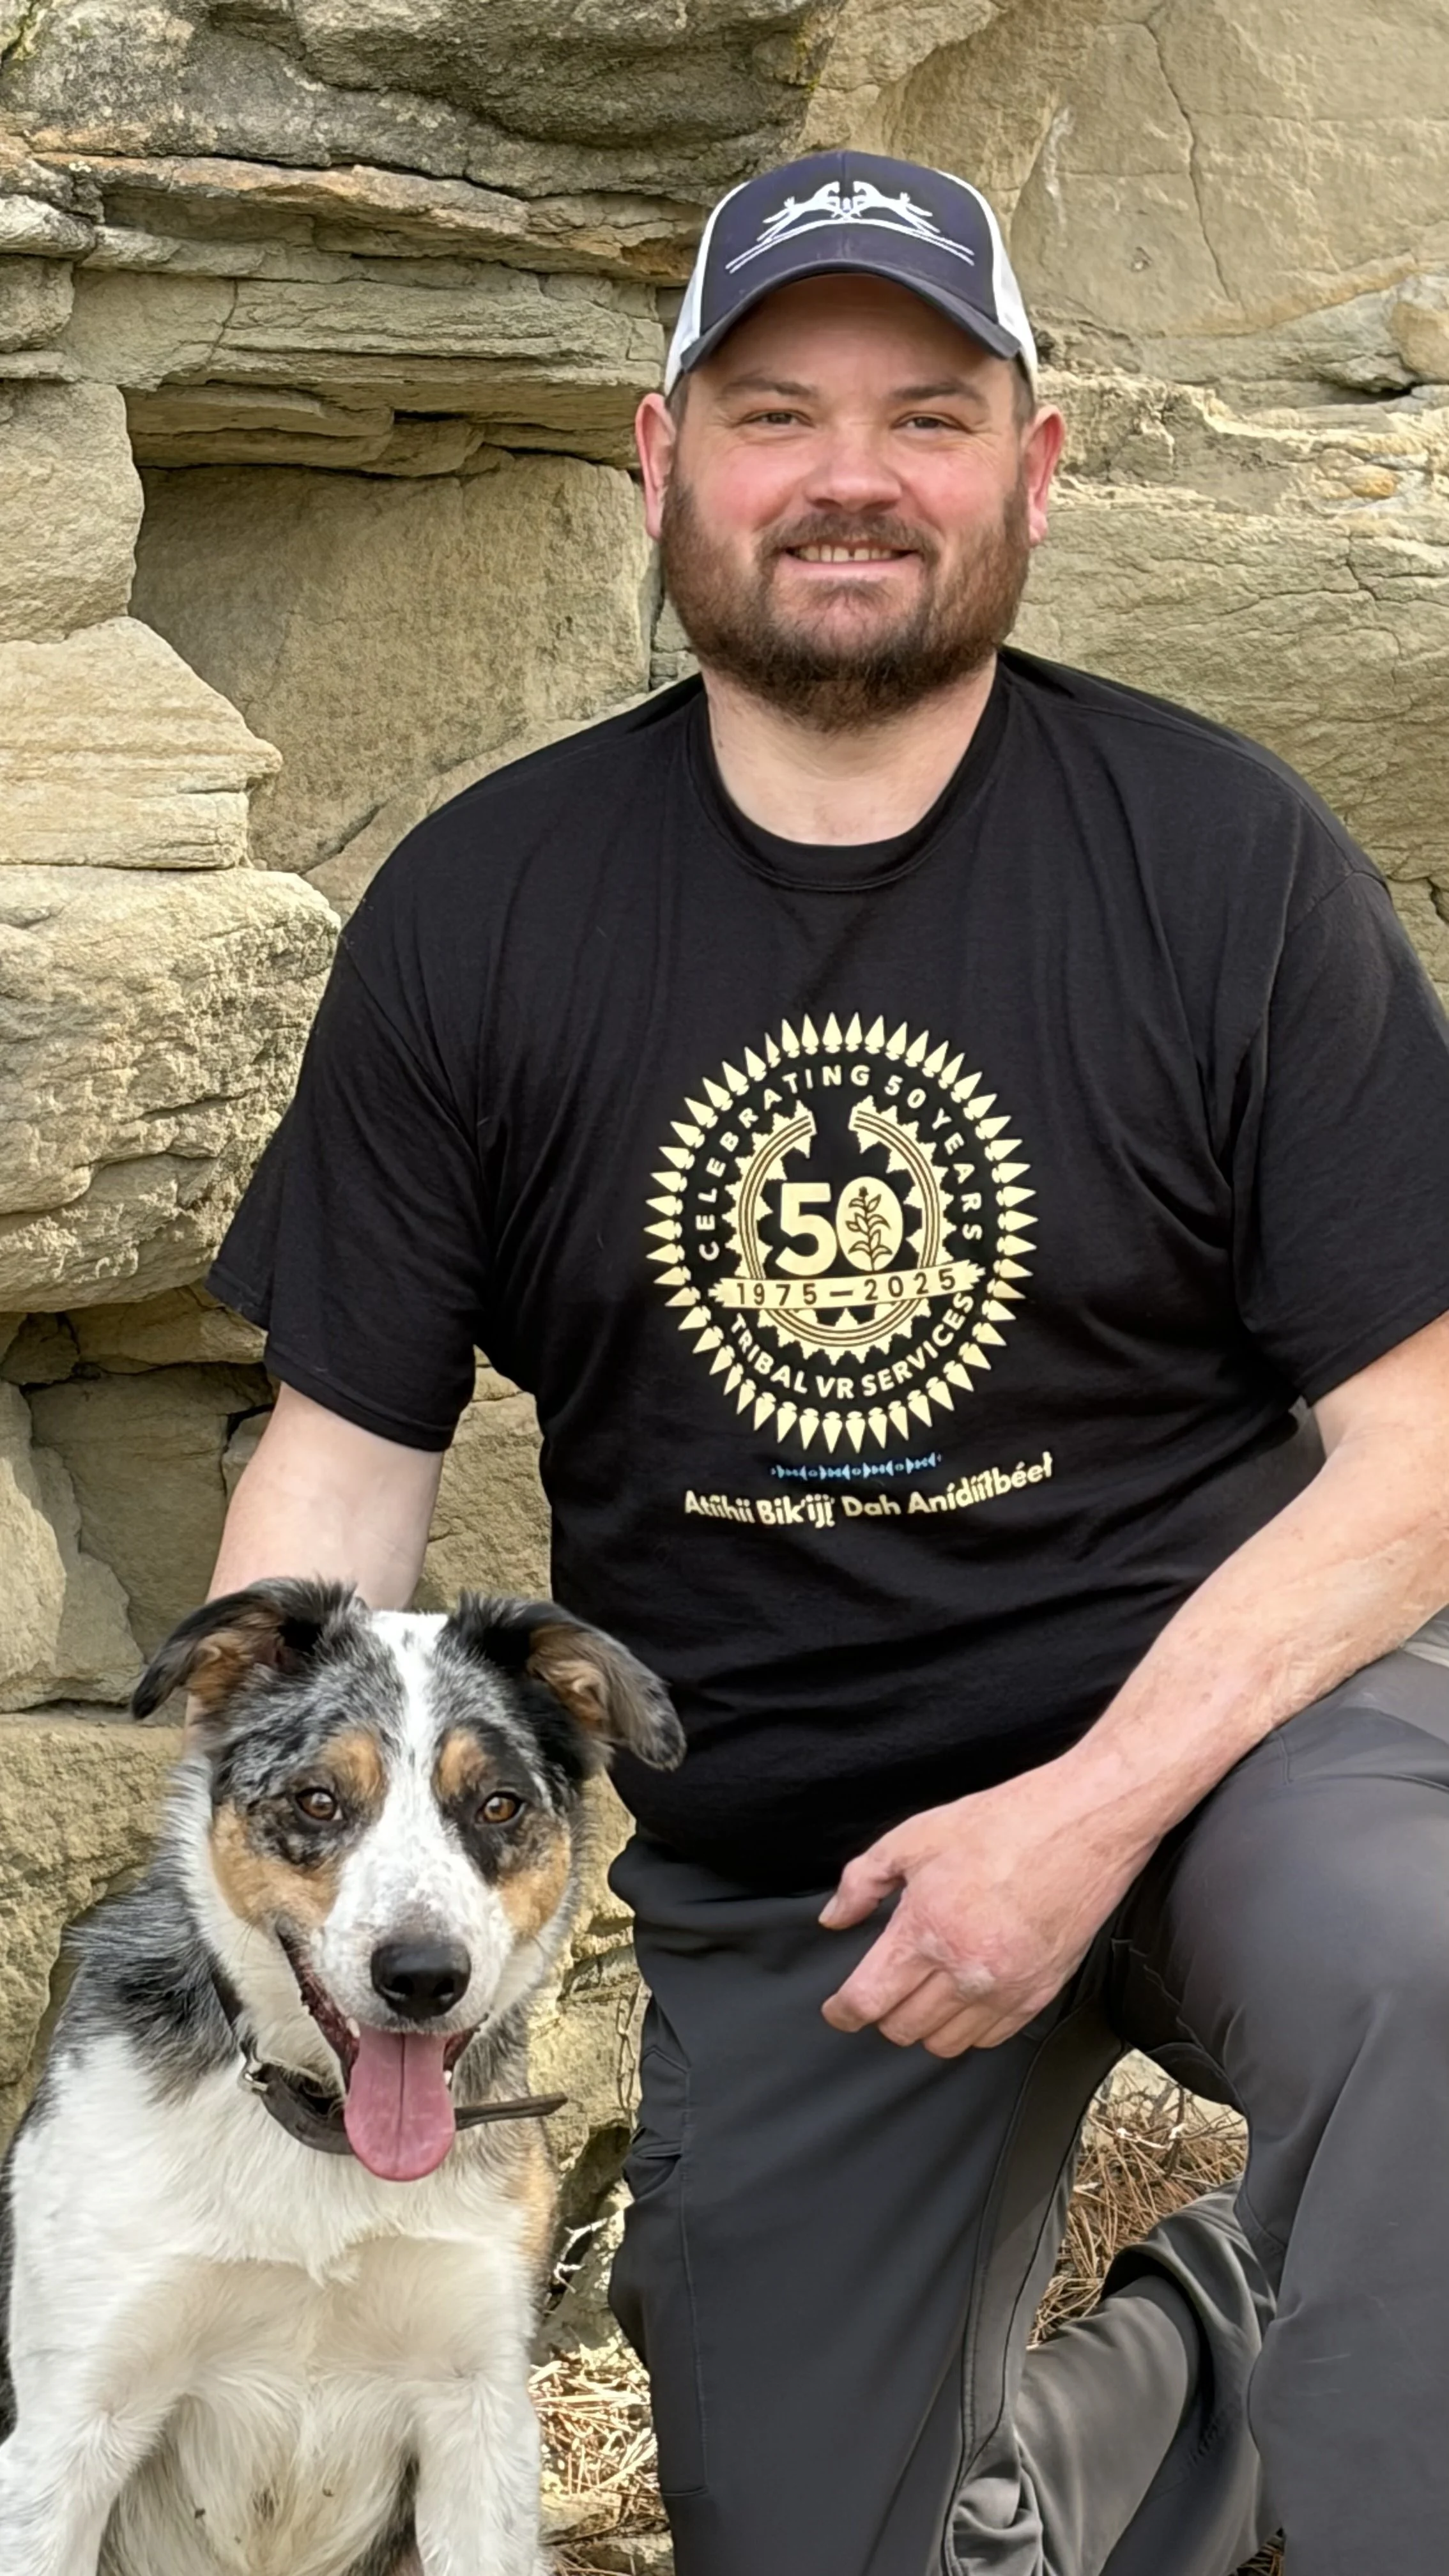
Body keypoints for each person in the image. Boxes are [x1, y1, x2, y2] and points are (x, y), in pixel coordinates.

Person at [204, 148, 1449, 2576]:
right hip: (810, 1876)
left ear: (1036, 467)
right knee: (811, 2531)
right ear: (660, 458)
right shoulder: (489, 908)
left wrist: (1082, 1819)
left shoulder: (1219, 864)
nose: (850, 477)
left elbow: (1416, 1454)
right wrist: (272, 1914)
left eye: (928, 412)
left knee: (1432, 1966)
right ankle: (1212, 2351)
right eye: (776, 410)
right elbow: (346, 1467)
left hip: (1230, 1750)